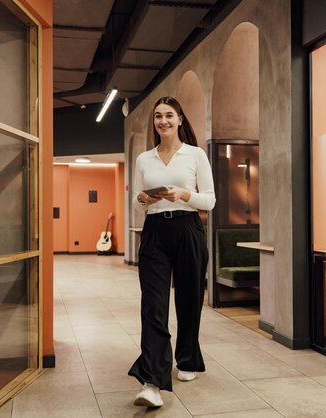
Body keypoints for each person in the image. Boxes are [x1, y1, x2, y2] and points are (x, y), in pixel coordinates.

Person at [128, 96, 216, 407]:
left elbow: (209, 200)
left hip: (188, 228)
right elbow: (137, 203)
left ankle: (188, 359)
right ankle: (152, 381)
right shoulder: (144, 159)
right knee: (153, 305)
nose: (162, 121)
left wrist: (183, 194)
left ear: (180, 119)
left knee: (189, 300)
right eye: (157, 117)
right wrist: (144, 200)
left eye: (168, 115)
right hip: (155, 232)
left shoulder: (195, 155)